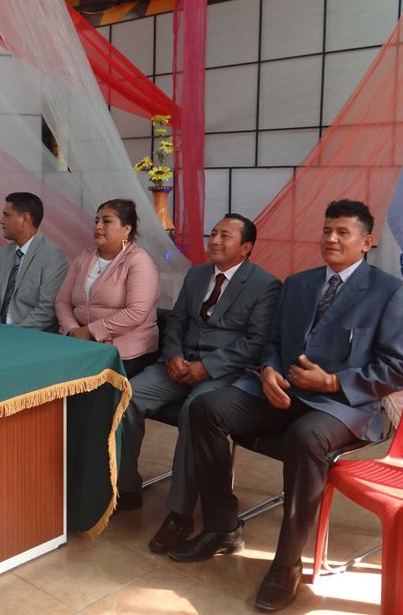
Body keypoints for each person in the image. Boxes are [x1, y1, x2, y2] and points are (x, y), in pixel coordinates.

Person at [169, 200, 403, 612]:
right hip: (282, 391)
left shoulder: (389, 292)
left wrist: (333, 381)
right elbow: (272, 343)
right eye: (327, 231)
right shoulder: (299, 283)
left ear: (366, 242)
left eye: (343, 232)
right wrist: (268, 370)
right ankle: (222, 526)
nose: (331, 239)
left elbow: (397, 367)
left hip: (343, 403)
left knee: (305, 437)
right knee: (205, 408)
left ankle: (286, 565)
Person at [117, 214, 281, 552]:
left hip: (224, 373)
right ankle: (125, 487)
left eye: (226, 236)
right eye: (214, 233)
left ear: (246, 247)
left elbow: (256, 342)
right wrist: (174, 355)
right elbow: (176, 321)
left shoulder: (265, 285)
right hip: (178, 366)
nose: (215, 240)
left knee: (196, 412)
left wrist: (207, 367)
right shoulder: (196, 274)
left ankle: (179, 514)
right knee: (128, 396)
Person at [55, 199, 159, 376]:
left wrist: (90, 331)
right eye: (97, 221)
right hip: (80, 342)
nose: (98, 226)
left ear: (126, 229)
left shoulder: (139, 261)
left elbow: (136, 312)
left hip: (125, 351)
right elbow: (62, 301)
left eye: (107, 221)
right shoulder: (83, 259)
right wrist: (73, 330)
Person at [0, 192, 68, 330]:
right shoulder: (3, 253)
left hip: (28, 335)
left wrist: (14, 334)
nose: (1, 221)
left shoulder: (52, 256)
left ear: (25, 219)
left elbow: (46, 310)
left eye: (6, 215)